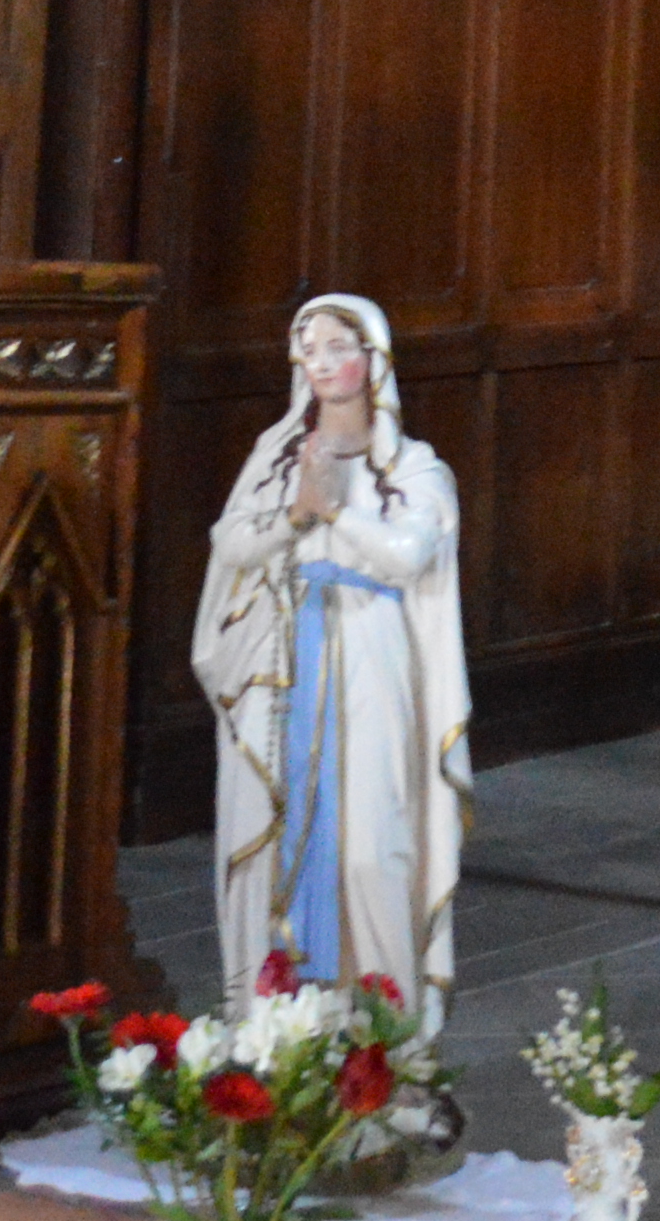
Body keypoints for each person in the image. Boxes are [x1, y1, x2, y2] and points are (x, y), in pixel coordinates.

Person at [195, 293, 469, 1009]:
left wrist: (337, 509)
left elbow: (411, 553)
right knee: (265, 832)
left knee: (370, 849)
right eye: (307, 349)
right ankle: (268, 1022)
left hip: (369, 657)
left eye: (336, 346)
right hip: (277, 658)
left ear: (373, 360)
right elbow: (230, 541)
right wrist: (295, 515)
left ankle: (382, 1033)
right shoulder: (277, 452)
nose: (320, 362)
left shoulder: (413, 465)